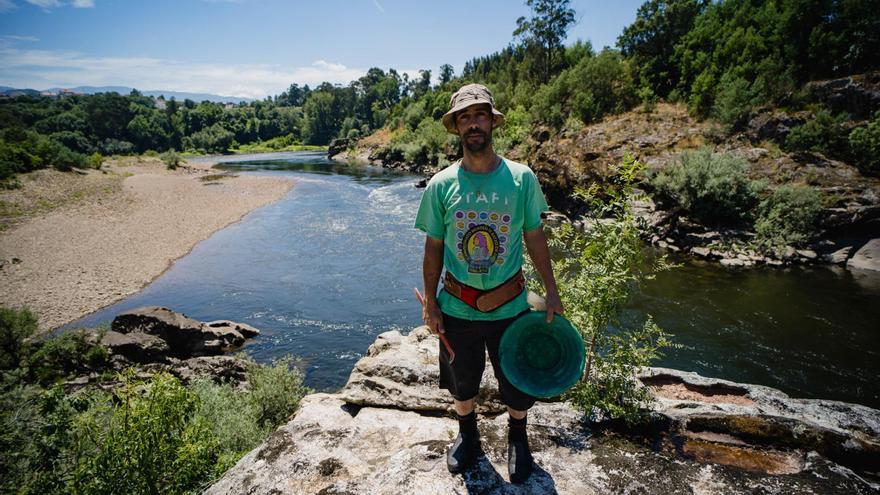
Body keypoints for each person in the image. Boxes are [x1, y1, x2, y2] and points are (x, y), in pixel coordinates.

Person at [414, 83, 563, 483]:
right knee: (461, 379)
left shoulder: (521, 179)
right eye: (465, 117)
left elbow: (534, 236)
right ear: (457, 127)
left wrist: (551, 290)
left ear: (492, 122)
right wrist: (431, 303)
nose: (473, 123)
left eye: (480, 115)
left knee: (515, 377)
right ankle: (468, 437)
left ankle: (518, 437)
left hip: (512, 303)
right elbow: (434, 249)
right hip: (457, 305)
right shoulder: (441, 185)